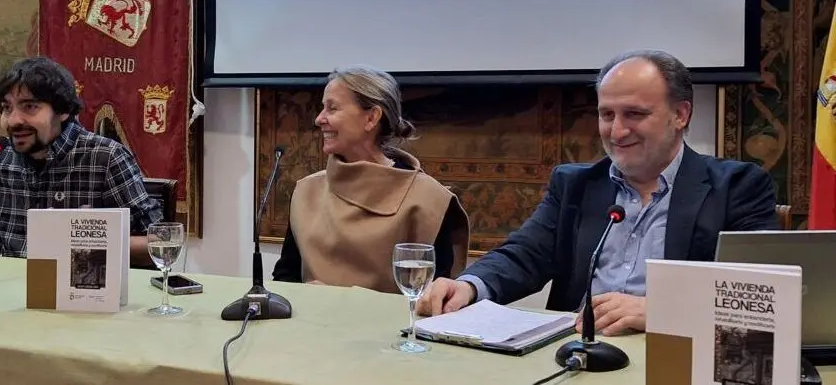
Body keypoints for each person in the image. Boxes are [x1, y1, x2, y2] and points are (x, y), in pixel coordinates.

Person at [417, 49, 778, 335]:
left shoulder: (737, 187)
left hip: (674, 352)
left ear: (681, 114)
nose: (617, 132)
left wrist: (663, 310)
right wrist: (468, 286)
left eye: (634, 114)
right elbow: (524, 255)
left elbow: (758, 295)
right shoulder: (576, 184)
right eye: (607, 115)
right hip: (576, 352)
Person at [0, 56, 163, 265]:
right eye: (7, 108)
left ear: (63, 110)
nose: (14, 120)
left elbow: (160, 244)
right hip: (13, 293)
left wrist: (92, 243)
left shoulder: (105, 157)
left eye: (30, 106)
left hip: (84, 294)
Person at [272, 64, 470, 294]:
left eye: (332, 108)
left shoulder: (429, 201)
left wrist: (339, 301)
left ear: (371, 118)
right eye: (322, 108)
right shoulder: (307, 191)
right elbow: (286, 279)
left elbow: (434, 297)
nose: (319, 119)